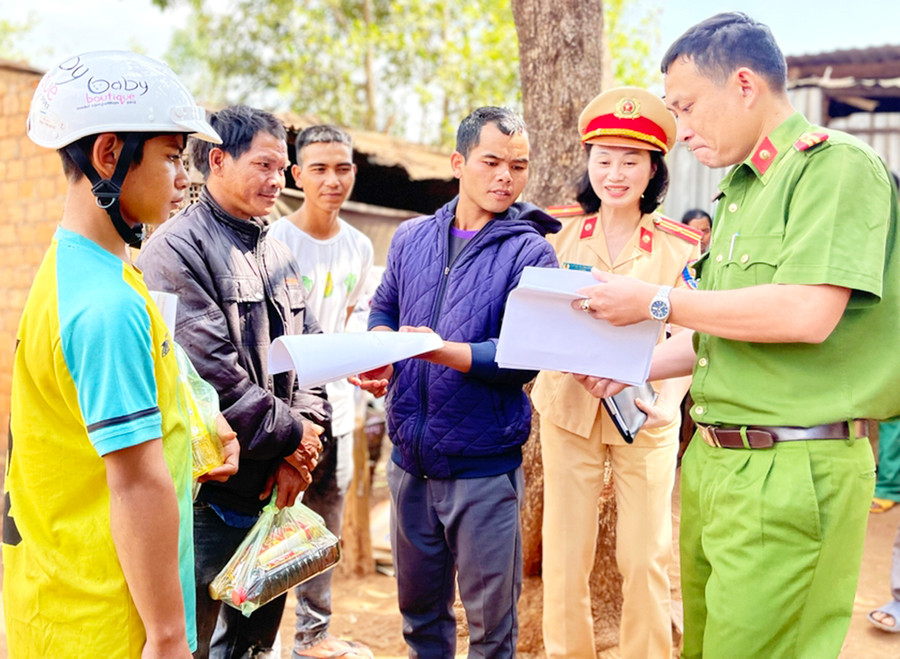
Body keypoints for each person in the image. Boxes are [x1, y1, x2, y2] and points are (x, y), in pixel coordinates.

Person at [572, 12, 899, 659]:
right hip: (719, 461)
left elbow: (806, 313)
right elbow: (719, 334)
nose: (680, 129)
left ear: (744, 86)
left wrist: (655, 299)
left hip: (792, 465)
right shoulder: (742, 191)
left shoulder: (833, 170)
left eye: (686, 107)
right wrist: (637, 362)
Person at [3, 50, 239, 657]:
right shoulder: (106, 307)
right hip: (109, 622)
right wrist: (165, 635)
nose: (185, 177)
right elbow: (136, 484)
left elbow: (162, 370)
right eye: (169, 156)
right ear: (109, 154)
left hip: (63, 593)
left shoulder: (87, 267)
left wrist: (205, 415)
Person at [353, 106, 560, 656]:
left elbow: (523, 358)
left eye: (518, 166)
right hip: (408, 465)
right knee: (420, 618)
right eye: (491, 161)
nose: (505, 177)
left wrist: (442, 352)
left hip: (484, 470)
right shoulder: (410, 238)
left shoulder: (531, 251)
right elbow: (384, 311)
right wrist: (382, 357)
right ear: (457, 162)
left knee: (492, 631)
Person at [136, 105, 328, 659]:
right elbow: (212, 377)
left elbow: (310, 353)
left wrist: (302, 447)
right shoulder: (174, 251)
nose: (277, 180)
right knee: (194, 640)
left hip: (276, 490)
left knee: (253, 645)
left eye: (282, 168)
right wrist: (297, 438)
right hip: (209, 496)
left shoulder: (278, 251)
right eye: (264, 165)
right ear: (217, 160)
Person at [532, 87, 699, 659]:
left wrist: (671, 402)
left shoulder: (681, 246)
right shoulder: (555, 233)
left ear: (654, 169)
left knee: (645, 554)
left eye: (631, 160)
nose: (615, 172)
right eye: (603, 158)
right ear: (588, 162)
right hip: (568, 409)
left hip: (646, 413)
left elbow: (691, 333)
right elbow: (531, 316)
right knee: (565, 550)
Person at [268, 125, 374, 659]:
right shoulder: (276, 243)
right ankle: (253, 640)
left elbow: (354, 322)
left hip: (341, 406)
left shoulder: (360, 245)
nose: (333, 180)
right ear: (296, 175)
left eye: (343, 168)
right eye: (319, 168)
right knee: (273, 520)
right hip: (285, 408)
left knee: (325, 522)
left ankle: (312, 637)